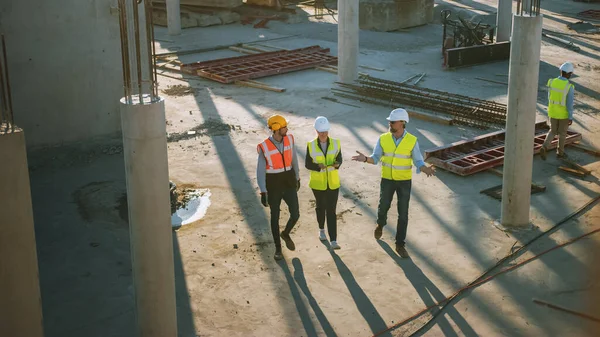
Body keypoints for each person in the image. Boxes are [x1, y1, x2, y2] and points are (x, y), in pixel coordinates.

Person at [351, 108, 435, 258]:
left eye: (393, 122)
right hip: (387, 180)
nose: (390, 124)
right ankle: (380, 224)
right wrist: (365, 159)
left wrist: (424, 169)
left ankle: (400, 244)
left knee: (403, 214)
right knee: (383, 205)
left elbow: (418, 161)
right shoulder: (383, 138)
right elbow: (375, 157)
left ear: (403, 123)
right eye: (389, 121)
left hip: (404, 181)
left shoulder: (412, 140)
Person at [256, 114, 301, 260]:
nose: (287, 129)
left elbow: (294, 159)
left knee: (295, 214)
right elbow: (260, 171)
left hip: (288, 181)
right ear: (276, 129)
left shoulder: (290, 139)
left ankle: (285, 233)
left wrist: (297, 177)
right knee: (275, 217)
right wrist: (263, 191)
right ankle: (278, 249)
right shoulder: (264, 147)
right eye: (284, 127)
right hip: (273, 184)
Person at [305, 116, 343, 250]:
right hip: (318, 184)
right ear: (316, 130)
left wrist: (337, 164)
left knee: (331, 210)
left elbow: (339, 159)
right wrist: (317, 167)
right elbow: (307, 164)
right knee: (321, 208)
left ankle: (333, 240)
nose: (323, 134)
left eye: (325, 131)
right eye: (321, 132)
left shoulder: (336, 143)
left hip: (333, 183)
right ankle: (321, 229)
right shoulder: (310, 145)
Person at [540, 61, 575, 160]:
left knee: (552, 131)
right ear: (569, 74)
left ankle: (544, 147)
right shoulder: (569, 87)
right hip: (563, 114)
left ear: (561, 71)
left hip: (552, 112)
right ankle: (560, 153)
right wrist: (570, 116)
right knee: (562, 133)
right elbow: (569, 104)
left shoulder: (552, 82)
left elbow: (549, 97)